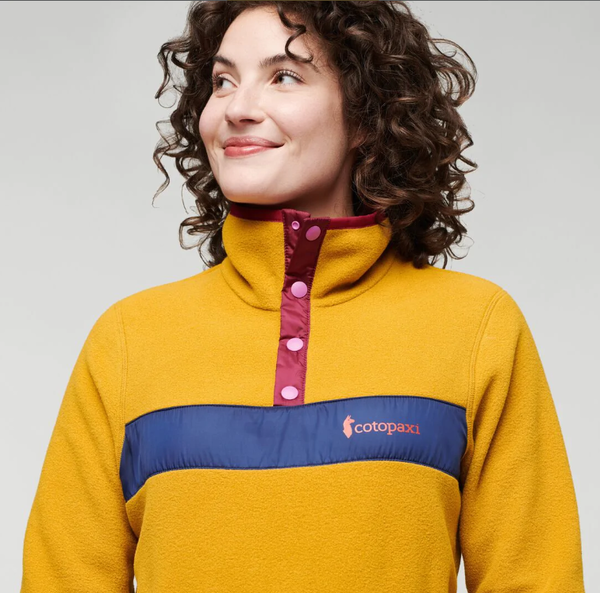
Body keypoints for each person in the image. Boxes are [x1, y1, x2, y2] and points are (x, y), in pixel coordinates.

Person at [20, 2, 586, 592]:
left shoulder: (476, 328)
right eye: (222, 81)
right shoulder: (128, 340)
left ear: (366, 114)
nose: (237, 108)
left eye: (284, 76)